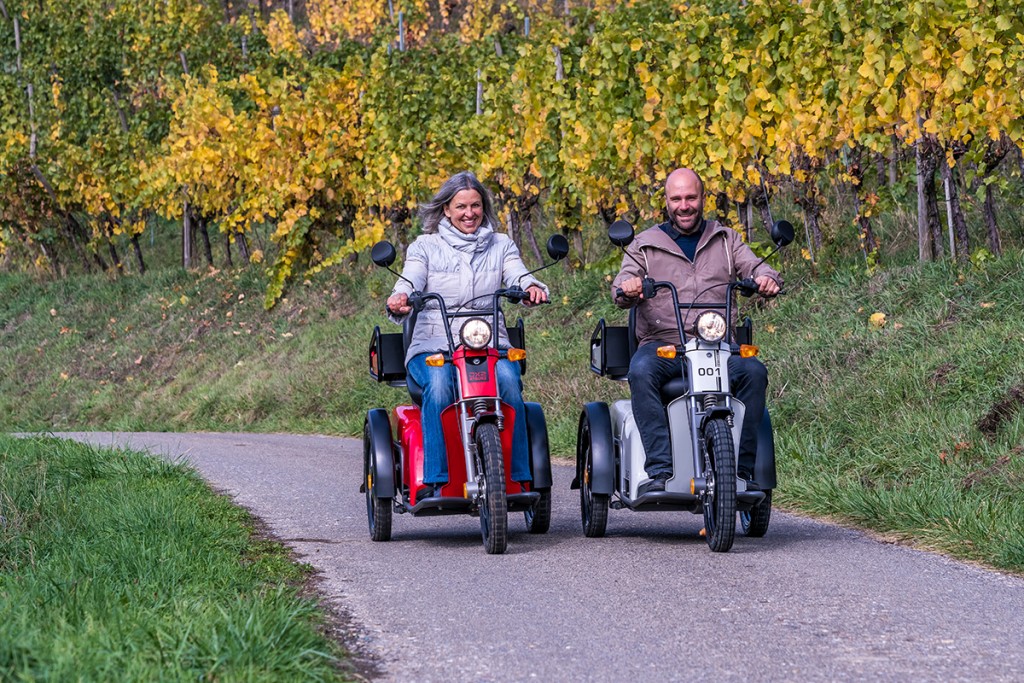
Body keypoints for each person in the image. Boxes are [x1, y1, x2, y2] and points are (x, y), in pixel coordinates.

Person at [612, 167, 782, 496]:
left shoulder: (726, 239)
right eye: (676, 199)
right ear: (666, 202)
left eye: (691, 197)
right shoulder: (644, 244)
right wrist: (629, 286)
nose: (684, 205)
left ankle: (742, 471)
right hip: (664, 345)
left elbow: (754, 265)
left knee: (754, 372)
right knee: (641, 370)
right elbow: (622, 284)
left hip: (718, 346)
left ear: (703, 198)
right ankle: (660, 469)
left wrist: (766, 278)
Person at [385, 171, 549, 499]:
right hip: (433, 345)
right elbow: (411, 278)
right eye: (461, 206)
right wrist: (401, 296)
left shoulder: (501, 245)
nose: (469, 213)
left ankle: (518, 476)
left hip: (490, 344)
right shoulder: (425, 246)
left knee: (509, 380)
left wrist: (531, 287)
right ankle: (436, 478)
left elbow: (518, 274)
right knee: (439, 384)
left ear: (484, 207)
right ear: (446, 209)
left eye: (475, 205)